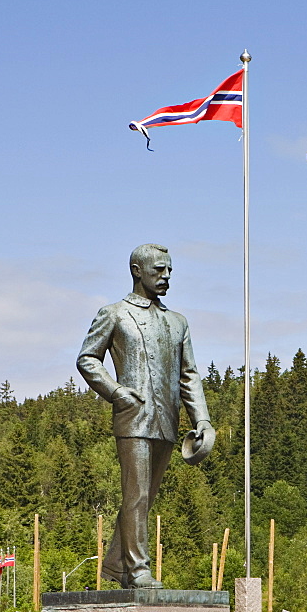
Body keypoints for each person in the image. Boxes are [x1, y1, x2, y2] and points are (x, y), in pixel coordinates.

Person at [77, 243, 215, 589]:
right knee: (136, 496)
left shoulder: (177, 322)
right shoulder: (114, 313)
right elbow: (88, 358)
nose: (166, 277)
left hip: (166, 421)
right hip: (133, 418)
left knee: (145, 498)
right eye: (158, 270)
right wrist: (117, 392)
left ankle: (117, 566)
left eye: (169, 270)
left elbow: (189, 376)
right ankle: (138, 569)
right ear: (137, 271)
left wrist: (202, 420)